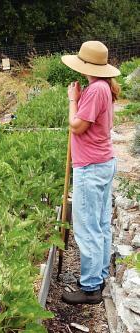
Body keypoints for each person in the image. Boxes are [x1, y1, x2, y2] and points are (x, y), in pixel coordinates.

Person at [60, 41, 121, 305]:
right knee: (101, 224)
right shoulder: (102, 87)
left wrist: (73, 100)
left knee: (87, 229)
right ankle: (98, 274)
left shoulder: (95, 90)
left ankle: (90, 287)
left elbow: (77, 126)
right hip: (101, 162)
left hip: (90, 166)